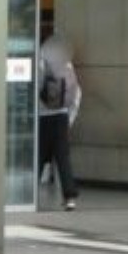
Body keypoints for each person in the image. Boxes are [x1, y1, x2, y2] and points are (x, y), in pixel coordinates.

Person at [37, 35, 81, 211]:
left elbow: (36, 89)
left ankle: (28, 196)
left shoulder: (40, 62)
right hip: (61, 117)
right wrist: (69, 119)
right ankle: (70, 197)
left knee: (38, 156)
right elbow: (76, 94)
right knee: (63, 158)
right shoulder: (67, 65)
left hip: (42, 116)